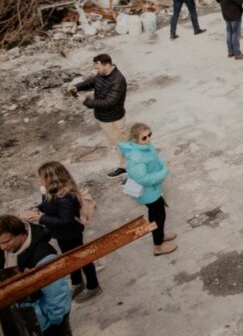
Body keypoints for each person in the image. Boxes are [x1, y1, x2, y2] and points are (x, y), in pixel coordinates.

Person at [19, 162, 101, 303]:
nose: (39, 180)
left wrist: (40, 217)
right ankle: (77, 282)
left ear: (52, 178)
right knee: (69, 258)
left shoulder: (65, 197)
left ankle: (93, 285)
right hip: (62, 235)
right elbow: (47, 205)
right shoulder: (49, 191)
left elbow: (66, 221)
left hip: (71, 234)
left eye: (41, 177)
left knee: (82, 258)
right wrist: (36, 209)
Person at [0, 215, 72, 335]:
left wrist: (53, 321)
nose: (2, 247)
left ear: (22, 234)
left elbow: (57, 295)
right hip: (22, 318)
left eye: (6, 242)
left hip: (45, 325)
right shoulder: (7, 249)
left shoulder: (43, 256)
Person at [118, 123, 176, 256]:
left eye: (149, 135)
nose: (148, 139)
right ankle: (158, 246)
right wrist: (164, 171)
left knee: (156, 214)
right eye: (144, 138)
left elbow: (155, 159)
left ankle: (160, 235)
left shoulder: (145, 146)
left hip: (154, 190)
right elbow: (144, 179)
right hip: (149, 193)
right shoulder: (136, 158)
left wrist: (163, 164)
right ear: (134, 139)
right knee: (158, 217)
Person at [68, 54, 128, 178]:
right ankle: (126, 167)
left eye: (98, 67)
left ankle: (128, 170)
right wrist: (78, 86)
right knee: (117, 144)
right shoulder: (103, 74)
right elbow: (92, 82)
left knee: (122, 146)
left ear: (107, 65)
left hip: (114, 119)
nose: (96, 70)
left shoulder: (118, 80)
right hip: (104, 118)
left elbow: (108, 102)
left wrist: (86, 101)